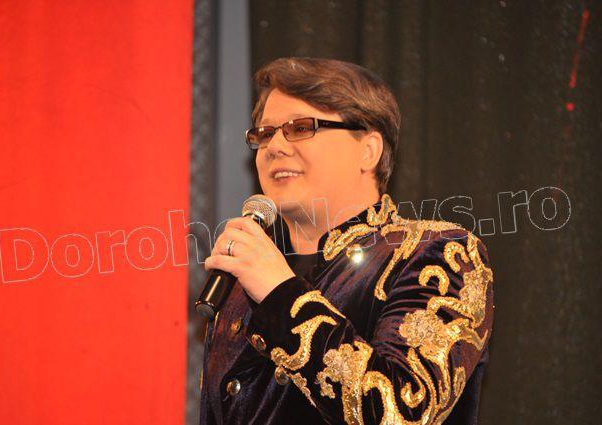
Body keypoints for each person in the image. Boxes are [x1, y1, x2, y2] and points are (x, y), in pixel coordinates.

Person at [199, 57, 494, 425]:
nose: (274, 146)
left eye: (300, 128)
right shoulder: (241, 283)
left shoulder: (437, 253)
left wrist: (280, 295)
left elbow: (401, 409)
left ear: (368, 151)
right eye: (264, 133)